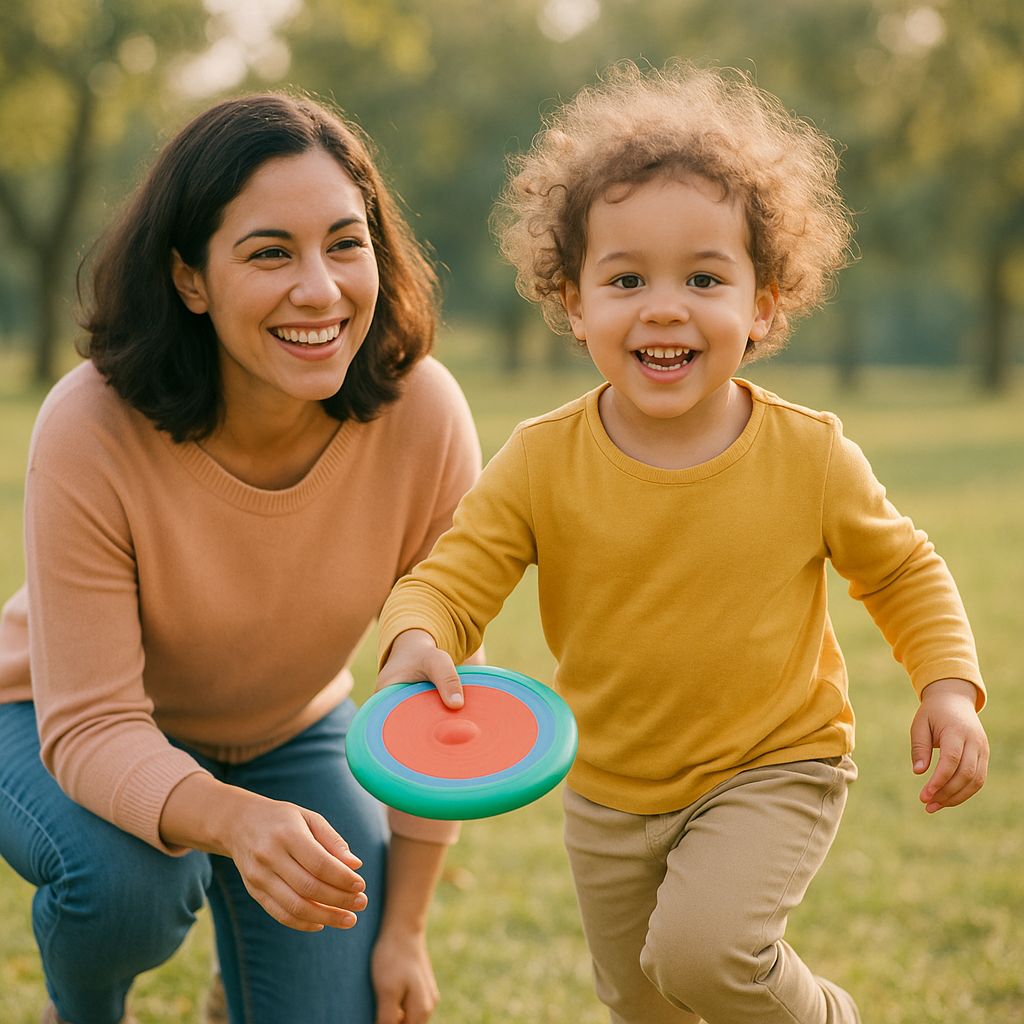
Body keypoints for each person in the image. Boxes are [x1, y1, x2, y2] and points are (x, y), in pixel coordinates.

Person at [375, 62, 989, 1024]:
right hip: (609, 789)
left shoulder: (809, 455)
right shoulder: (541, 461)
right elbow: (449, 581)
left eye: (705, 278)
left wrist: (948, 686)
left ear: (764, 304)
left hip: (772, 764)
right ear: (575, 305)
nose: (664, 306)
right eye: (626, 280)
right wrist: (418, 635)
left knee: (706, 955)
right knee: (643, 1000)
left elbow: (904, 570)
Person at [0, 92, 482, 1024]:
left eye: (347, 244)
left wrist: (405, 930)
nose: (321, 289)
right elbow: (93, 725)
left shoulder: (423, 415)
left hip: (289, 734)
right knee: (131, 886)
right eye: (270, 253)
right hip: (47, 713)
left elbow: (438, 701)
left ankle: (247, 982)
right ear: (190, 279)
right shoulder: (90, 424)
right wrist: (232, 821)